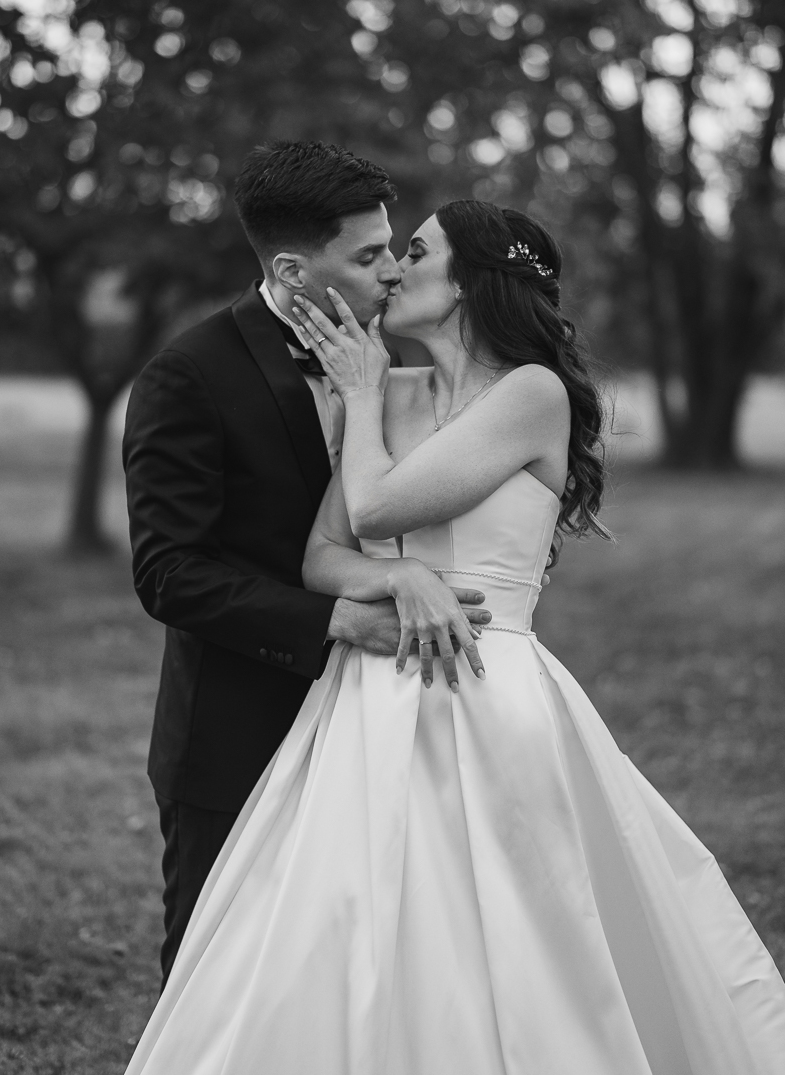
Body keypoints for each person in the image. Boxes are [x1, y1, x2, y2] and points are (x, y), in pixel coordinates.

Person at [125, 200, 785, 1074]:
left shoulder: (531, 394)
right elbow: (323, 555)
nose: (395, 270)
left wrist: (359, 397)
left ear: (471, 281)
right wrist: (398, 577)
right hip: (365, 698)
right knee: (349, 924)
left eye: (416, 251)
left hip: (486, 691)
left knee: (518, 934)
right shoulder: (391, 394)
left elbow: (376, 508)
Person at [122, 141, 493, 985]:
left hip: (384, 722)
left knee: (355, 973)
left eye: (393, 248)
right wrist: (339, 619)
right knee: (220, 977)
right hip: (239, 729)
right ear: (291, 269)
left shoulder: (399, 367)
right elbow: (169, 573)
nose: (393, 272)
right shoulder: (189, 376)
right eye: (367, 257)